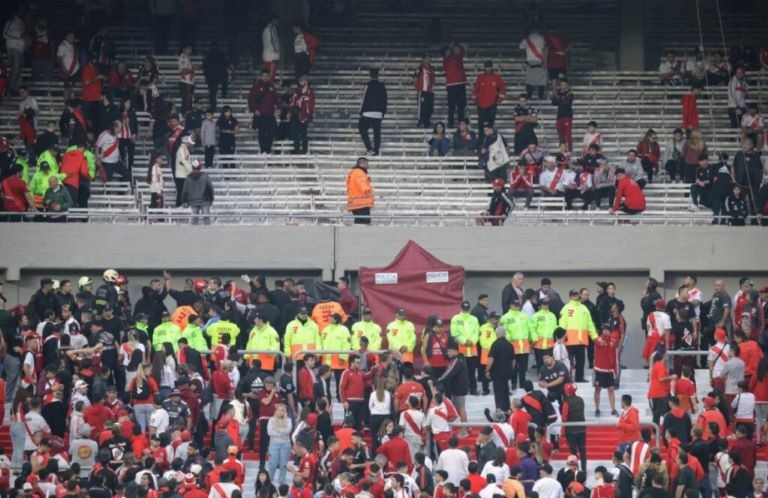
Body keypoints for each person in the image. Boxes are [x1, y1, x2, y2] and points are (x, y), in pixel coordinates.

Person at [559, 290, 597, 383]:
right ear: (570, 296)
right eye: (573, 295)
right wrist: (561, 337)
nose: (575, 297)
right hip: (569, 340)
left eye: (576, 295)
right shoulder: (566, 308)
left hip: (581, 340)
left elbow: (590, 324)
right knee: (569, 362)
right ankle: (567, 379)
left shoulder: (584, 308)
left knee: (581, 361)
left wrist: (595, 337)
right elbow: (562, 324)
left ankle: (579, 378)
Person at [472, 61, 506, 136]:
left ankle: (489, 141)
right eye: (486, 67)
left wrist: (499, 99)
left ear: (491, 67)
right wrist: (475, 99)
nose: (488, 68)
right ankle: (481, 142)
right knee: (481, 125)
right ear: (484, 67)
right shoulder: (480, 77)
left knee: (490, 124)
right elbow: (475, 89)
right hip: (481, 105)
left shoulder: (496, 77)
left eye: (489, 67)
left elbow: (502, 88)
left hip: (492, 104)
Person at [359, 69, 388, 156]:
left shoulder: (368, 85)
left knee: (362, 129)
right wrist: (383, 113)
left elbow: (363, 99)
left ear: (370, 75)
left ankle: (369, 148)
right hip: (378, 113)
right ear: (377, 76)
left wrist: (361, 112)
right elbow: (385, 100)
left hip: (367, 112)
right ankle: (376, 150)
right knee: (377, 132)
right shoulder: (382, 86)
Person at [592, 324, 618, 416]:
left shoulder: (613, 342)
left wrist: (615, 370)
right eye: (604, 329)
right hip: (599, 369)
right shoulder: (598, 340)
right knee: (597, 389)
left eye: (608, 330)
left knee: (611, 389)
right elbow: (598, 342)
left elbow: (615, 357)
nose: (606, 331)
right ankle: (597, 409)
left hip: (609, 370)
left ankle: (613, 409)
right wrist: (601, 342)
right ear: (602, 331)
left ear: (610, 331)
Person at [181, 159, 214, 225]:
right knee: (206, 218)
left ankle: (194, 234)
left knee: (194, 219)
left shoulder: (188, 178)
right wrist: (211, 199)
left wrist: (183, 201)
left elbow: (185, 190)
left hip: (193, 201)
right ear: (200, 167)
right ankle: (208, 233)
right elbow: (210, 188)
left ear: (192, 167)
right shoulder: (205, 176)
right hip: (205, 200)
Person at [443, 42, 467, 128]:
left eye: (459, 49)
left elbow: (466, 47)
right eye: (456, 49)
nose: (458, 50)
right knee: (452, 105)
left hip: (461, 84)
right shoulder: (448, 58)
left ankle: (461, 122)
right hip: (451, 85)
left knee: (461, 105)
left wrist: (459, 44)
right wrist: (451, 46)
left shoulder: (459, 58)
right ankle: (451, 123)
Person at [345, 157, 374, 225]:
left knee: (358, 222)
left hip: (355, 203)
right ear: (362, 163)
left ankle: (357, 235)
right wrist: (367, 191)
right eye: (367, 164)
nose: (368, 166)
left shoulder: (353, 172)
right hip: (361, 203)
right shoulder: (359, 172)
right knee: (364, 223)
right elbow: (362, 184)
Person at [519, 29, 547, 99]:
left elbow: (521, 47)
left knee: (530, 79)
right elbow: (545, 48)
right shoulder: (542, 38)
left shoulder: (527, 39)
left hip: (530, 61)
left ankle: (529, 94)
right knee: (541, 80)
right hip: (540, 61)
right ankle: (540, 94)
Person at [290, 76, 315, 154]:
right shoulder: (297, 91)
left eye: (302, 81)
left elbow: (311, 106)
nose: (300, 82)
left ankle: (304, 150)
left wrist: (307, 115)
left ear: (306, 81)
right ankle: (297, 150)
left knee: (303, 133)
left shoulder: (310, 93)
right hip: (296, 114)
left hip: (304, 115)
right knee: (295, 133)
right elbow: (293, 102)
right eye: (300, 81)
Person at [203, 42, 230, 111]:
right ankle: (224, 94)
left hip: (211, 76)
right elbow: (226, 64)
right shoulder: (221, 54)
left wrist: (206, 75)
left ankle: (213, 106)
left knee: (212, 92)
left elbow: (204, 66)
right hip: (219, 75)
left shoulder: (208, 55)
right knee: (223, 84)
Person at [551, 79, 574, 152]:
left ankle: (570, 150)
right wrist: (556, 96)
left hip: (567, 116)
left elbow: (567, 102)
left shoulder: (570, 93)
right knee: (561, 134)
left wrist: (559, 99)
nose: (562, 86)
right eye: (561, 85)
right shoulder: (558, 93)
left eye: (564, 84)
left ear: (567, 85)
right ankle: (562, 150)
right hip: (559, 116)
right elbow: (554, 102)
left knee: (568, 134)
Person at [414, 53, 435, 128]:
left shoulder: (431, 69)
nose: (428, 60)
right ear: (423, 59)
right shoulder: (419, 69)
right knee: (422, 108)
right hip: (422, 92)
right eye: (427, 58)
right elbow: (415, 79)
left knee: (429, 108)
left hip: (429, 92)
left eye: (429, 58)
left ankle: (427, 122)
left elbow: (432, 80)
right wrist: (418, 89)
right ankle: (421, 122)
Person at [174, 135, 195, 205]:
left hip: (184, 174)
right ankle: (179, 206)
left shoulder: (185, 149)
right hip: (181, 175)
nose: (190, 144)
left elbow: (187, 161)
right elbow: (183, 161)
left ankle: (183, 205)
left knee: (184, 191)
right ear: (186, 142)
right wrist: (190, 170)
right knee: (181, 192)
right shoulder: (181, 149)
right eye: (189, 143)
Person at [178, 46, 196, 116]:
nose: (190, 50)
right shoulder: (183, 57)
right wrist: (192, 69)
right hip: (186, 83)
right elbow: (183, 70)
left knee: (189, 101)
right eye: (189, 49)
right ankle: (183, 116)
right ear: (184, 49)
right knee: (186, 101)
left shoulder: (187, 58)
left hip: (189, 83)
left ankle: (186, 115)